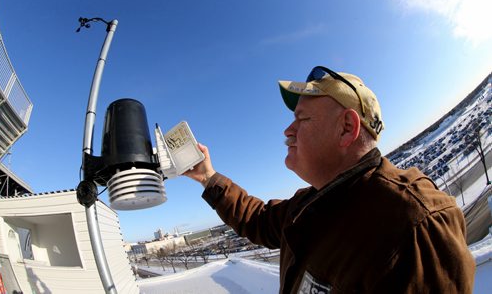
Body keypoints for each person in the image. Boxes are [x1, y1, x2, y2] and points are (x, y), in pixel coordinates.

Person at [184, 66, 475, 293]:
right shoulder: (310, 203)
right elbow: (258, 219)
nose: (288, 130)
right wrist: (207, 177)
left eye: (302, 119)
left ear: (346, 128)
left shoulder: (413, 223)